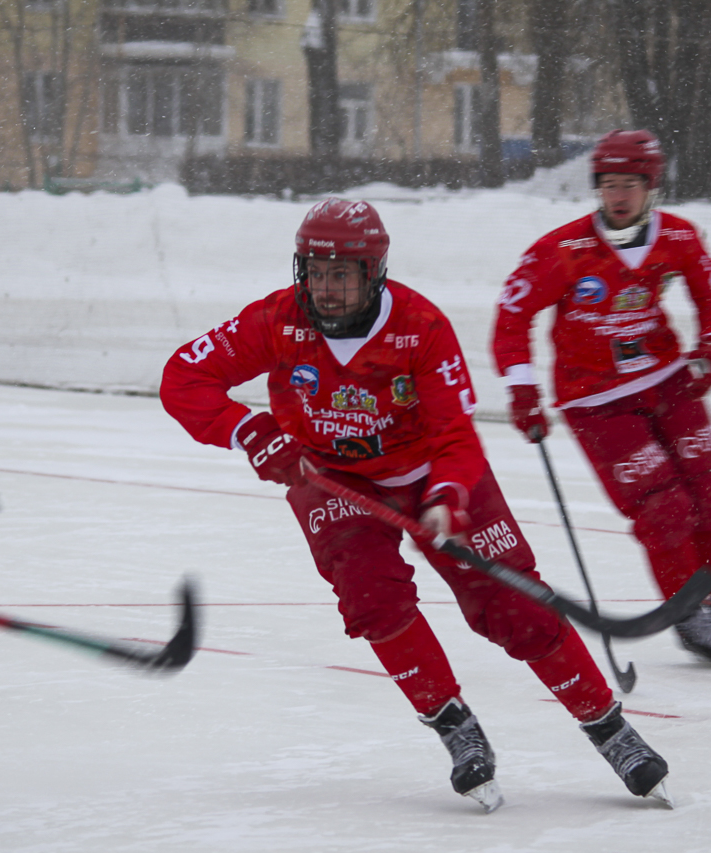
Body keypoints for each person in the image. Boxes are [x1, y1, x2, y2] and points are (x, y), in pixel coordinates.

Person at [160, 198, 670, 812]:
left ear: (373, 271)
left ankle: (610, 730)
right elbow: (183, 378)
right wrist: (250, 430)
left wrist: (449, 494)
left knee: (514, 606)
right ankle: (454, 726)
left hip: (434, 474)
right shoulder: (276, 319)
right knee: (372, 598)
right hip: (332, 480)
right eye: (314, 273)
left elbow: (455, 430)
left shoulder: (419, 326)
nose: (325, 288)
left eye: (341, 274)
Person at [491, 129, 711, 666]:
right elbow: (512, 316)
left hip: (669, 381)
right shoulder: (564, 249)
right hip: (595, 398)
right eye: (609, 185)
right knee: (662, 506)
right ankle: (688, 612)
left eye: (631, 184)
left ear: (652, 188)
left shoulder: (678, 237)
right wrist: (522, 388)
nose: (619, 196)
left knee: (708, 492)